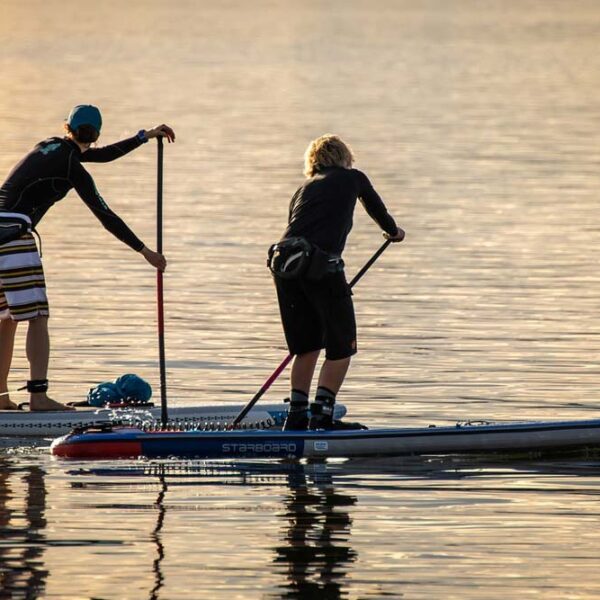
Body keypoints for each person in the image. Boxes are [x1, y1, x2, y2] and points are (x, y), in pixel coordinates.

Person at [0, 105, 175, 411]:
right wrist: (146, 252)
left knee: (6, 319)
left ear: (67, 127)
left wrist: (144, 137)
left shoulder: (48, 147)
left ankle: (1, 399)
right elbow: (105, 214)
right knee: (37, 317)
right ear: (94, 135)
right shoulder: (72, 166)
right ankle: (38, 397)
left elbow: (101, 155)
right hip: (14, 238)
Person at [271, 134, 405, 431]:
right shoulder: (352, 178)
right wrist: (393, 232)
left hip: (284, 265)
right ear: (344, 158)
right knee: (342, 346)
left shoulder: (303, 188)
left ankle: (296, 417)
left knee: (306, 347)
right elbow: (376, 208)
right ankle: (321, 416)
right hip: (321, 266)